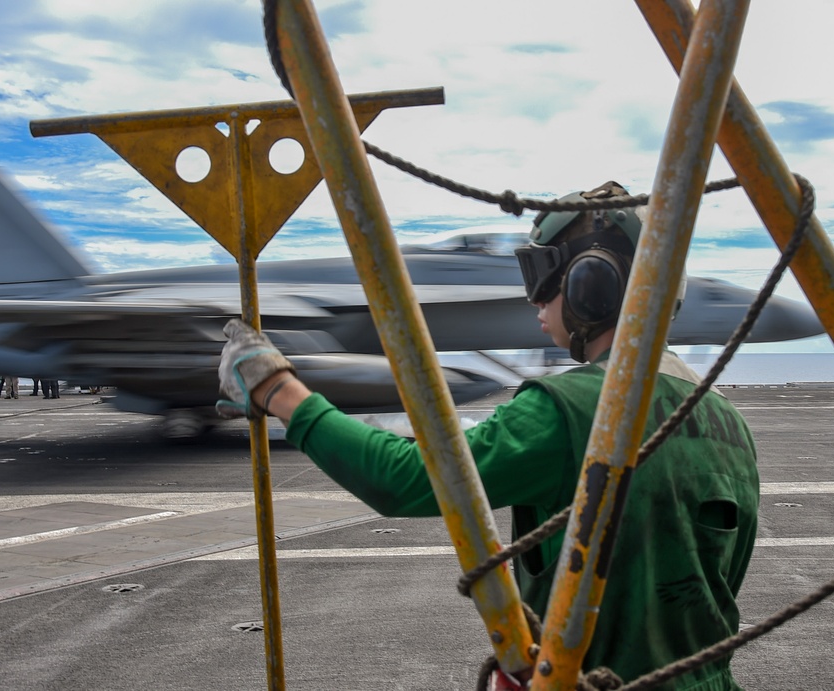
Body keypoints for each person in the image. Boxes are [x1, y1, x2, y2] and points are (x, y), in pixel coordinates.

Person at [217, 182, 759, 689]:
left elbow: (406, 480)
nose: (535, 302)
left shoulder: (569, 410)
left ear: (591, 284)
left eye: (545, 277)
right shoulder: (727, 420)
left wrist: (278, 390)